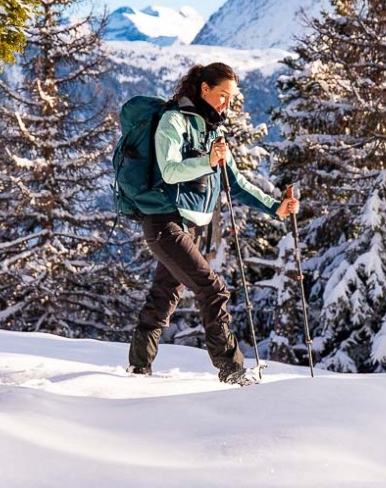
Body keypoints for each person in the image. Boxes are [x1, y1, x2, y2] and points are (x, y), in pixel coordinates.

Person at [127, 61, 300, 385]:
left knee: (164, 295)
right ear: (204, 88)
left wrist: (275, 206)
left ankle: (138, 367)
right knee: (213, 290)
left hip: (190, 228)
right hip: (164, 221)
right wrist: (207, 160)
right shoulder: (173, 120)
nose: (226, 104)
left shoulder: (214, 131)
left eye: (231, 98)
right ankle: (232, 369)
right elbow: (170, 171)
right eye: (223, 95)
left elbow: (235, 184)